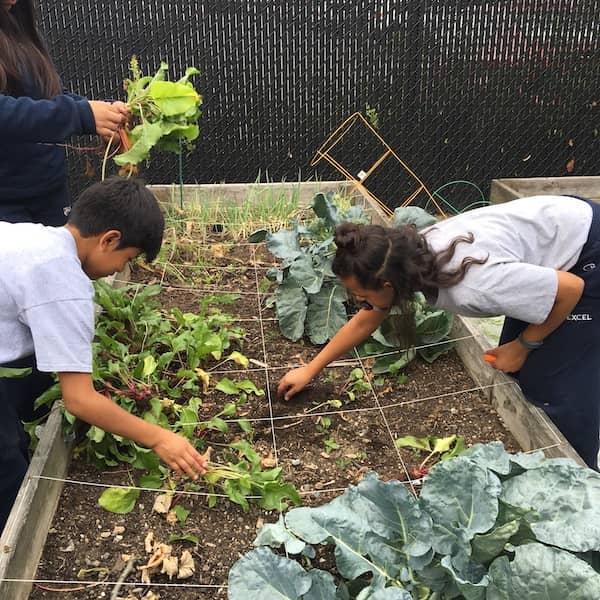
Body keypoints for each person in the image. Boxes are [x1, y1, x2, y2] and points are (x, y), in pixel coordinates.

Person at [278, 195, 600, 470]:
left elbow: (570, 290)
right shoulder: (404, 258)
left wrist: (525, 344)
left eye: (361, 295)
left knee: (553, 391)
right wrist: (310, 369)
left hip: (587, 256)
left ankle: (581, 480)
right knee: (520, 370)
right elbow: (367, 319)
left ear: (387, 286)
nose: (358, 302)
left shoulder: (473, 287)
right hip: (558, 233)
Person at [0, 177, 208, 533]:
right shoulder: (63, 281)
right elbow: (79, 400)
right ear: (109, 239)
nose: (118, 271)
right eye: (126, 259)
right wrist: (159, 437)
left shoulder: (34, 237)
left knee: (14, 441)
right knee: (7, 471)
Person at [0, 0, 129, 225]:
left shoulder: (21, 27)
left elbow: (51, 93)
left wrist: (101, 112)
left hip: (50, 193)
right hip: (7, 205)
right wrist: (81, 115)